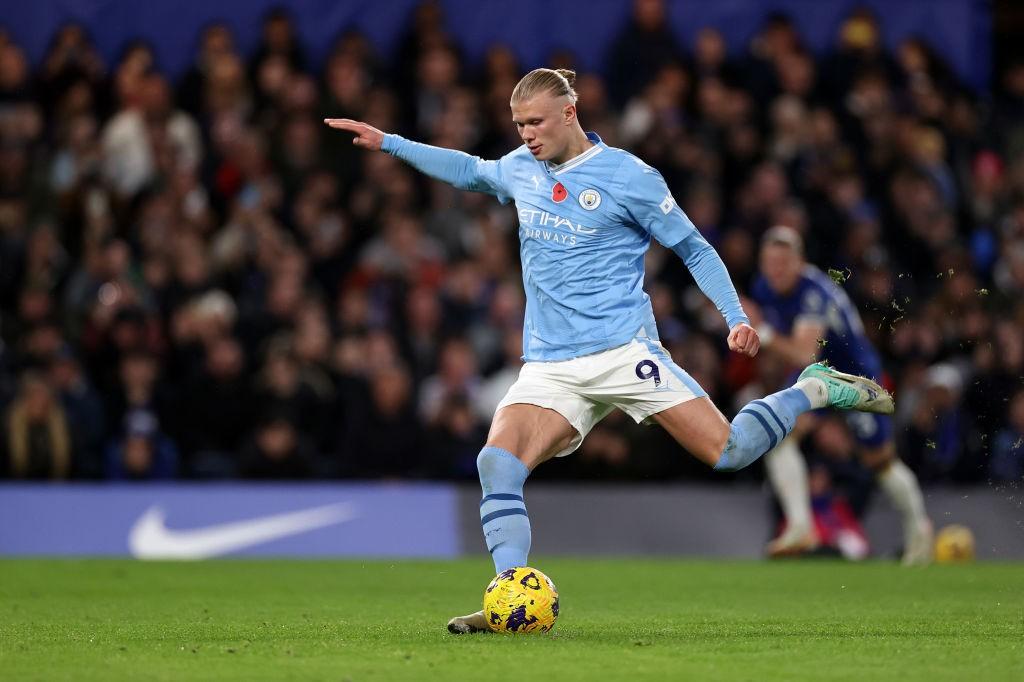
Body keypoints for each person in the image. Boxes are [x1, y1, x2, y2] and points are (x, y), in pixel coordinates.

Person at [324, 68, 893, 634]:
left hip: (623, 352)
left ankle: (812, 388)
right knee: (496, 463)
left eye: (536, 122)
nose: (526, 135)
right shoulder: (521, 168)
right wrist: (389, 142)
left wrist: (736, 317)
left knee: (729, 451)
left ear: (569, 113)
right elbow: (469, 170)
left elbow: (694, 248)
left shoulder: (629, 175)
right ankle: (510, 598)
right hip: (550, 364)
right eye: (519, 124)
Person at [748, 225, 932, 564]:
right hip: (818, 374)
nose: (776, 271)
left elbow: (802, 351)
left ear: (800, 262)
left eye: (783, 263)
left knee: (880, 462)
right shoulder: (764, 287)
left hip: (853, 378)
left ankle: (919, 529)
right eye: (770, 263)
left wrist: (763, 332)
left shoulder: (813, 293)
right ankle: (801, 527)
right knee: (777, 436)